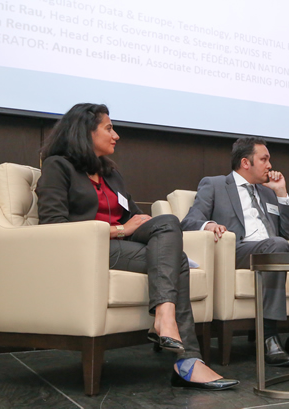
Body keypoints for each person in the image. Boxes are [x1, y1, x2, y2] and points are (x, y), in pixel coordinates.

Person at [36, 103, 238, 390]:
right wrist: (118, 229)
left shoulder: (111, 173)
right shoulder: (59, 166)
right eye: (108, 128)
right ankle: (188, 360)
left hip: (123, 247)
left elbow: (134, 218)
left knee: (167, 221)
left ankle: (167, 322)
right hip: (86, 251)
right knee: (177, 262)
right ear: (85, 132)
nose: (116, 135)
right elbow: (53, 225)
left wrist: (133, 227)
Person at [181, 137, 289, 366]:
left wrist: (281, 194)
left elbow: (288, 234)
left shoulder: (268, 192)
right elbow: (190, 220)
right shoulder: (216, 184)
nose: (270, 165)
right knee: (276, 245)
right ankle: (268, 336)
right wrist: (208, 225)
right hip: (239, 250)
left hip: (276, 247)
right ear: (246, 162)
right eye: (264, 159)